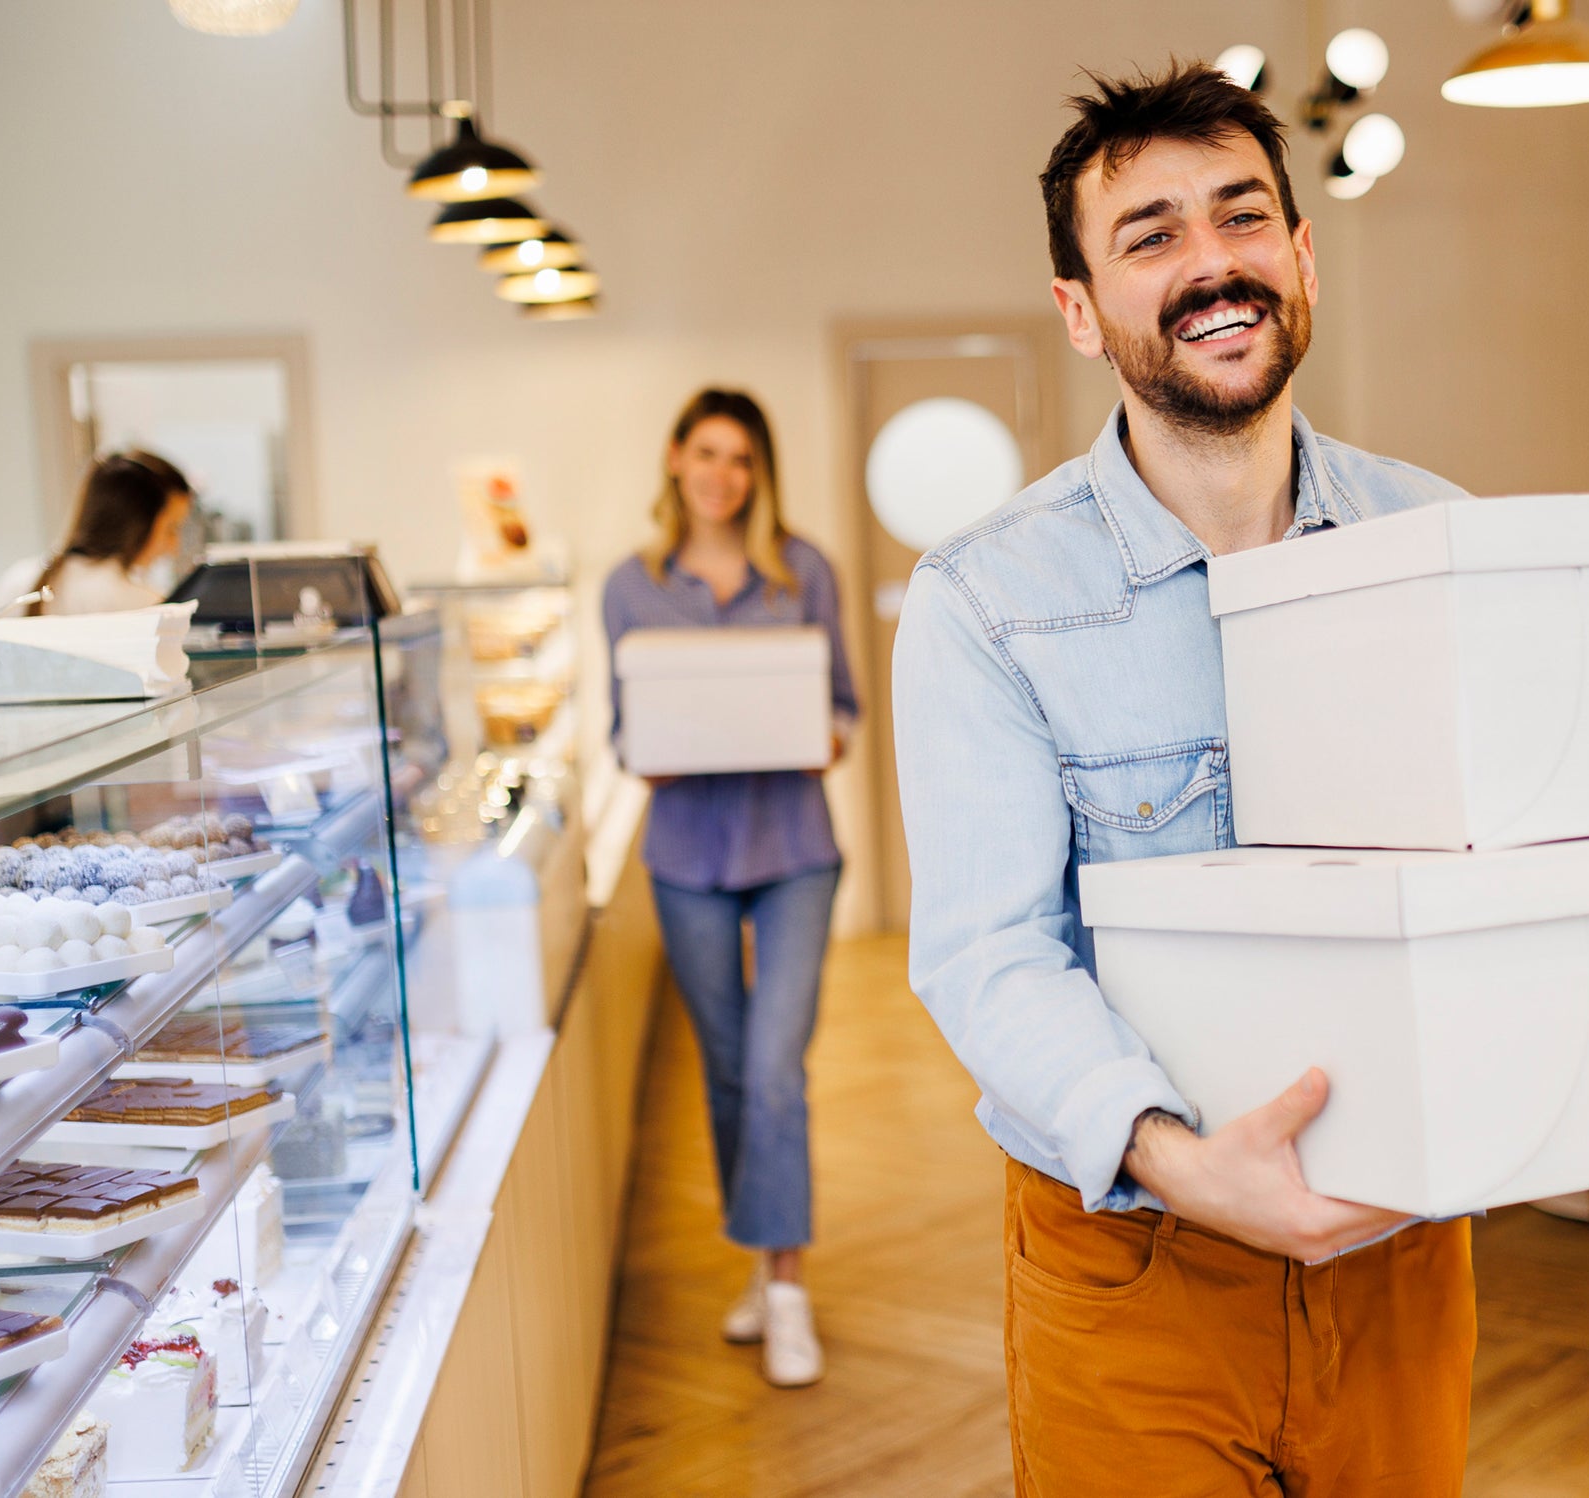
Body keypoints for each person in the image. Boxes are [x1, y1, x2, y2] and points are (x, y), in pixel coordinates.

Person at [894, 64, 1477, 1494]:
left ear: (1303, 257)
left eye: (1242, 217)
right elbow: (988, 955)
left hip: (1400, 1236)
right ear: (1081, 310)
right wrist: (1174, 1154)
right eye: (1150, 235)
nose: (1211, 262)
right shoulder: (984, 601)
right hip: (1132, 1247)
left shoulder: (1448, 539)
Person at [602, 388, 857, 1389]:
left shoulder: (804, 572)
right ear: (675, 460)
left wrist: (804, 729)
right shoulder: (631, 585)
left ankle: (788, 1292)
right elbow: (627, 732)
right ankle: (760, 1260)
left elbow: (840, 709)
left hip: (793, 847)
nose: (723, 475)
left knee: (777, 1063)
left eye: (742, 458)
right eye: (707, 453)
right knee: (726, 1070)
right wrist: (654, 748)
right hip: (687, 856)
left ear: (759, 472)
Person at [0, 451, 195, 616]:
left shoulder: (16, 581)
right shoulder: (143, 605)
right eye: (171, 528)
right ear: (137, 523)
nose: (174, 547)